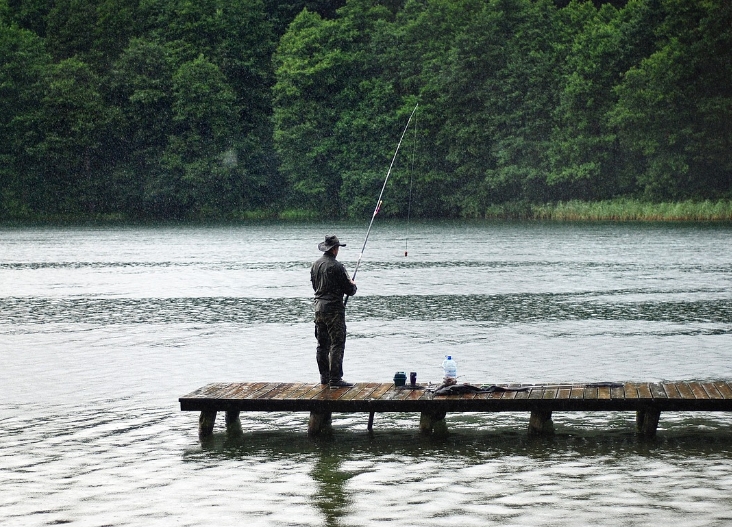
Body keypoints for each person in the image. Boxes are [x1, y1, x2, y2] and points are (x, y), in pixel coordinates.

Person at [311, 234, 357, 388]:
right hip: (334, 311)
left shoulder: (315, 265)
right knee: (337, 343)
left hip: (318, 309)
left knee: (322, 344)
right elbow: (350, 290)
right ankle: (335, 379)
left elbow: (315, 287)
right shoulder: (337, 267)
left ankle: (324, 377)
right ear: (335, 249)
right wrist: (352, 284)